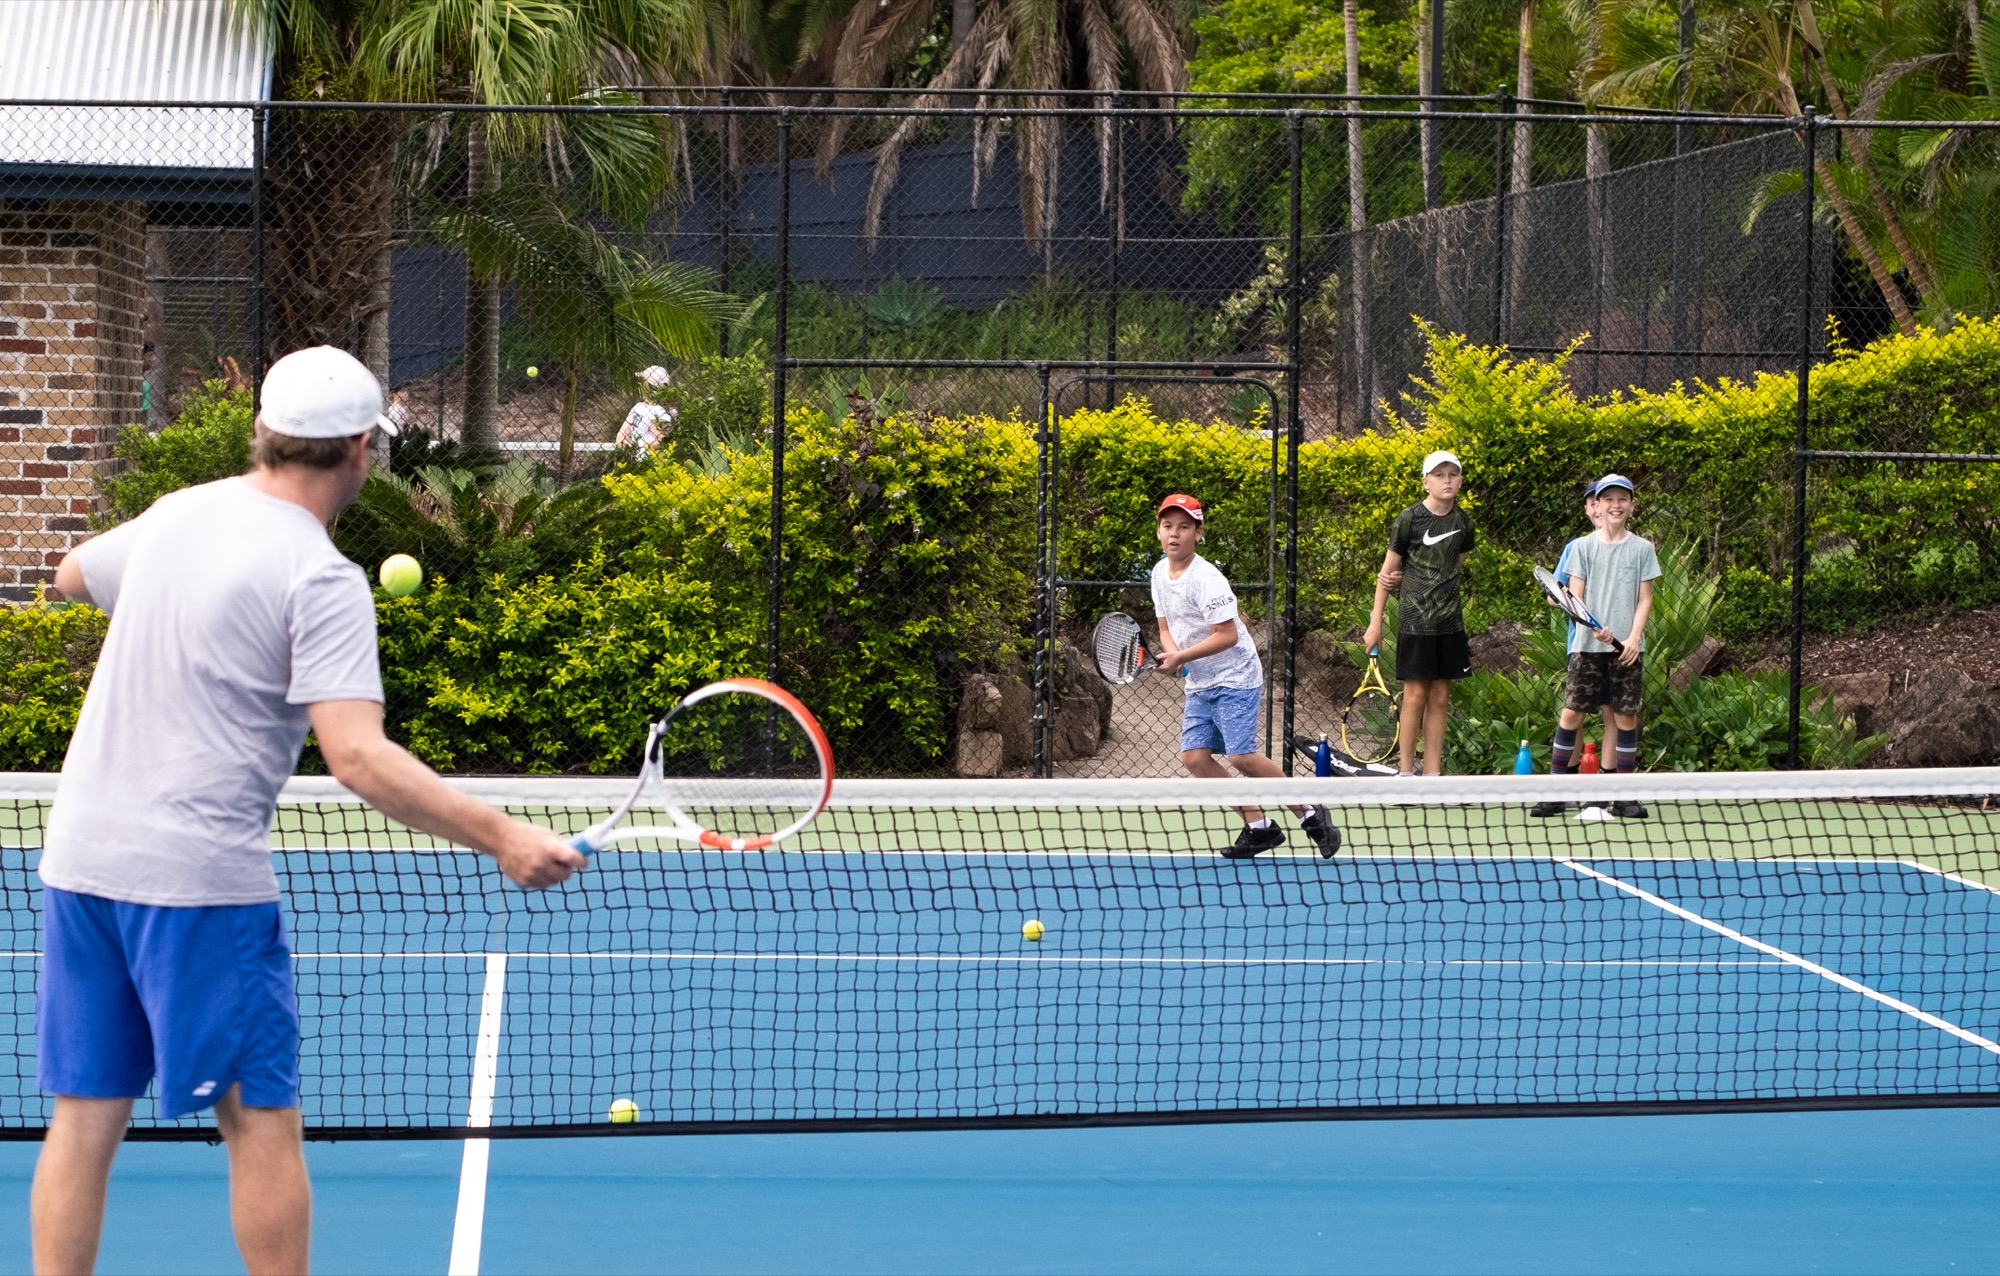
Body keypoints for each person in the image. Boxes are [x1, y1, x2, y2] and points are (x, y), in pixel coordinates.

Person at [36, 345, 584, 1275]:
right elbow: (358, 757)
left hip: (80, 862)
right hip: (197, 885)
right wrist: (502, 835)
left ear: (263, 430)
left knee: (84, 1118)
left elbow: (69, 575)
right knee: (258, 1120)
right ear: (364, 448)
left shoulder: (178, 514)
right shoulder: (319, 577)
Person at [1149, 494, 1339, 859]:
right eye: (1167, 526)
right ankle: (1259, 826)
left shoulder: (1207, 579)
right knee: (1194, 758)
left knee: (1240, 756)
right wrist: (1176, 658)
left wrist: (1182, 656)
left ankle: (1310, 812)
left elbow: (1228, 635)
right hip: (1201, 681)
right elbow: (1165, 628)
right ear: (1158, 532)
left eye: (1184, 527)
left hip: (1236, 675)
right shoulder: (1159, 574)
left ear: (1198, 533)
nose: (1174, 534)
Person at [1532, 473, 1659, 820]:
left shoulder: (1643, 549)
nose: (1615, 505)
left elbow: (1645, 599)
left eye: (1622, 499)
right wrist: (1591, 627)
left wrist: (1632, 639)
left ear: (1632, 506)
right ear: (1597, 506)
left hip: (1627, 651)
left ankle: (1624, 797)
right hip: (1586, 648)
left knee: (1625, 717)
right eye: (1608, 499)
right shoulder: (1583, 547)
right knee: (1571, 713)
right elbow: (1573, 595)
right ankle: (1556, 793)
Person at [1363, 451, 1475, 776]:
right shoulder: (1409, 519)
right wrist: (1375, 623)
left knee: (1440, 697)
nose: (1446, 481)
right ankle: (1406, 774)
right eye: (1439, 475)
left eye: (1452, 474)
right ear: (1425, 482)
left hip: (1450, 624)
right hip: (1415, 623)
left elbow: (1454, 565)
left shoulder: (1464, 523)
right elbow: (1387, 574)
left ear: (1460, 481)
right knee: (1414, 696)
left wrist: (1414, 577)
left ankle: (1433, 775)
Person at [616, 365, 675, 457]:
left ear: (648, 385)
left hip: (652, 460)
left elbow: (661, 442)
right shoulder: (638, 407)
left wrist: (635, 447)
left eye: (643, 381)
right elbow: (621, 437)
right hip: (638, 458)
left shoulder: (660, 411)